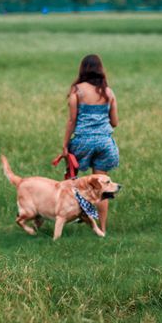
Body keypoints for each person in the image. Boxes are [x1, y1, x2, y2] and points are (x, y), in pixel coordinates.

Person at [63, 54, 120, 232]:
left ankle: (72, 214)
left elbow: (72, 120)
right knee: (103, 186)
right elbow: (115, 122)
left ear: (83, 69)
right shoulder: (108, 92)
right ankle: (101, 229)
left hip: (82, 141)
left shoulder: (77, 91)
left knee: (72, 182)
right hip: (104, 143)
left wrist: (65, 145)